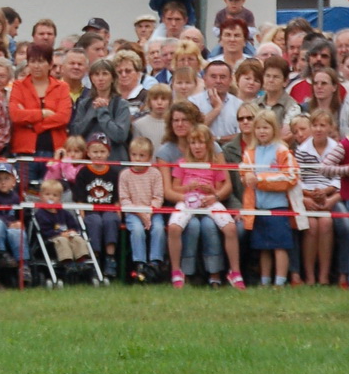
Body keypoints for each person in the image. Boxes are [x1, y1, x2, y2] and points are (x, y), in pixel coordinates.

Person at [166, 124, 244, 289]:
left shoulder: (214, 163)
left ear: (208, 144)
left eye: (201, 143)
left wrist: (212, 193)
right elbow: (175, 187)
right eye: (193, 143)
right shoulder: (183, 163)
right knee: (173, 227)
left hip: (209, 200)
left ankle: (235, 272)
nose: (197, 147)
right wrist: (187, 188)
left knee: (230, 228)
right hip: (188, 199)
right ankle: (176, 271)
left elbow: (221, 188)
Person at [241, 110, 299, 287]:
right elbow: (244, 173)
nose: (261, 131)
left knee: (280, 246)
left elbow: (290, 176)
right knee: (263, 247)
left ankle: (280, 281)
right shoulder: (250, 152)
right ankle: (265, 280)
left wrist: (260, 180)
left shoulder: (282, 151)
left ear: (274, 129)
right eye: (258, 128)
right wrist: (247, 178)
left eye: (266, 127)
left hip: (278, 206)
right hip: (258, 207)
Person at [295, 110, 348, 286]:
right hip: (308, 195)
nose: (318, 129)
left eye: (322, 125)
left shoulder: (337, 148)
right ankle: (310, 275)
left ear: (330, 128)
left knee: (326, 224)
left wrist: (326, 193)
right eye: (315, 125)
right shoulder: (302, 150)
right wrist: (309, 195)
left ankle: (324, 276)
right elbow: (298, 179)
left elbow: (339, 177)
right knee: (311, 225)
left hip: (330, 194)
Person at [8, 43, 70, 185]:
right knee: (24, 199)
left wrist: (35, 124)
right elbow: (15, 115)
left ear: (50, 64)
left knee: (53, 198)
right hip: (24, 152)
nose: (36, 66)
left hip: (54, 153)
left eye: (41, 61)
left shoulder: (62, 87)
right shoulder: (18, 85)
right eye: (33, 61)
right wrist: (43, 113)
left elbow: (63, 117)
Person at [71, 133, 121, 277]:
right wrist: (81, 212)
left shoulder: (113, 172)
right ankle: (95, 258)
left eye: (102, 151)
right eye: (95, 152)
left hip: (108, 209)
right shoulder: (83, 172)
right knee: (95, 222)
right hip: (90, 211)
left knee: (110, 220)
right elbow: (79, 197)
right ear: (88, 153)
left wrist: (118, 213)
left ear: (108, 153)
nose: (98, 155)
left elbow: (116, 197)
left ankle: (110, 258)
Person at [119, 135, 166, 281]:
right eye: (134, 155)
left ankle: (155, 262)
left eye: (142, 156)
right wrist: (140, 213)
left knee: (158, 228)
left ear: (150, 157)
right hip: (133, 212)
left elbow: (158, 197)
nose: (137, 159)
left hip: (152, 211)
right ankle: (139, 263)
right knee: (137, 229)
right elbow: (124, 200)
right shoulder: (125, 175)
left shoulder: (155, 174)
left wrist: (149, 212)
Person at [71, 57, 133, 163]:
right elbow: (76, 133)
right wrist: (92, 113)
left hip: (114, 162)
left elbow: (120, 136)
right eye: (96, 74)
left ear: (113, 78)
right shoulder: (84, 104)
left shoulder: (121, 105)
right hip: (88, 162)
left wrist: (102, 112)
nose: (100, 78)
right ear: (91, 78)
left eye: (105, 74)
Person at [32, 179, 92, 281]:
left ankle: (81, 261)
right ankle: (67, 263)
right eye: (47, 194)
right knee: (62, 240)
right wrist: (60, 234)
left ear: (59, 198)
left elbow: (74, 226)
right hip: (51, 241)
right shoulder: (41, 214)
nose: (51, 197)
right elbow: (45, 231)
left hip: (68, 238)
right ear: (41, 196)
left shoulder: (64, 213)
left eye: (55, 195)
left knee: (78, 238)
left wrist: (72, 232)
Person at [191, 59, 241, 140]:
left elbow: (242, 135)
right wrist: (217, 109)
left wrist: (218, 139)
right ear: (205, 79)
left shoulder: (239, 105)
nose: (218, 81)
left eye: (223, 77)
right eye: (213, 77)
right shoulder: (193, 103)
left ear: (230, 80)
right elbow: (193, 131)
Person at [134, 83, 173, 153]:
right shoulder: (139, 124)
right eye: (155, 99)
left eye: (163, 99)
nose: (159, 102)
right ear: (149, 102)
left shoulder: (174, 124)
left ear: (170, 102)